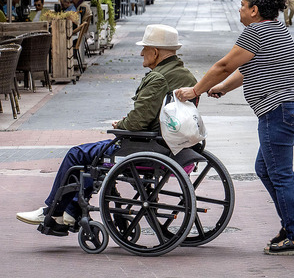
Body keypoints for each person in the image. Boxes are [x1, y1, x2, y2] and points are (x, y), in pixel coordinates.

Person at [176, 0, 294, 256]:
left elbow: (224, 65)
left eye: (242, 5)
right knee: (265, 168)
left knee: (281, 175)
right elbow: (248, 69)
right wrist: (223, 88)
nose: (239, 9)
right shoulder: (278, 29)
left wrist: (195, 90)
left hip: (278, 111)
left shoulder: (255, 31)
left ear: (254, 10)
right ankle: (289, 227)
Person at [16, 24, 197, 227]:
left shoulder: (158, 77)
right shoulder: (188, 77)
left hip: (146, 146)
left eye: (144, 49)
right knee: (90, 157)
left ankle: (54, 211)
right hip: (173, 146)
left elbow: (138, 121)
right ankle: (70, 211)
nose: (141, 53)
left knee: (77, 154)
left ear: (155, 52)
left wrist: (120, 124)